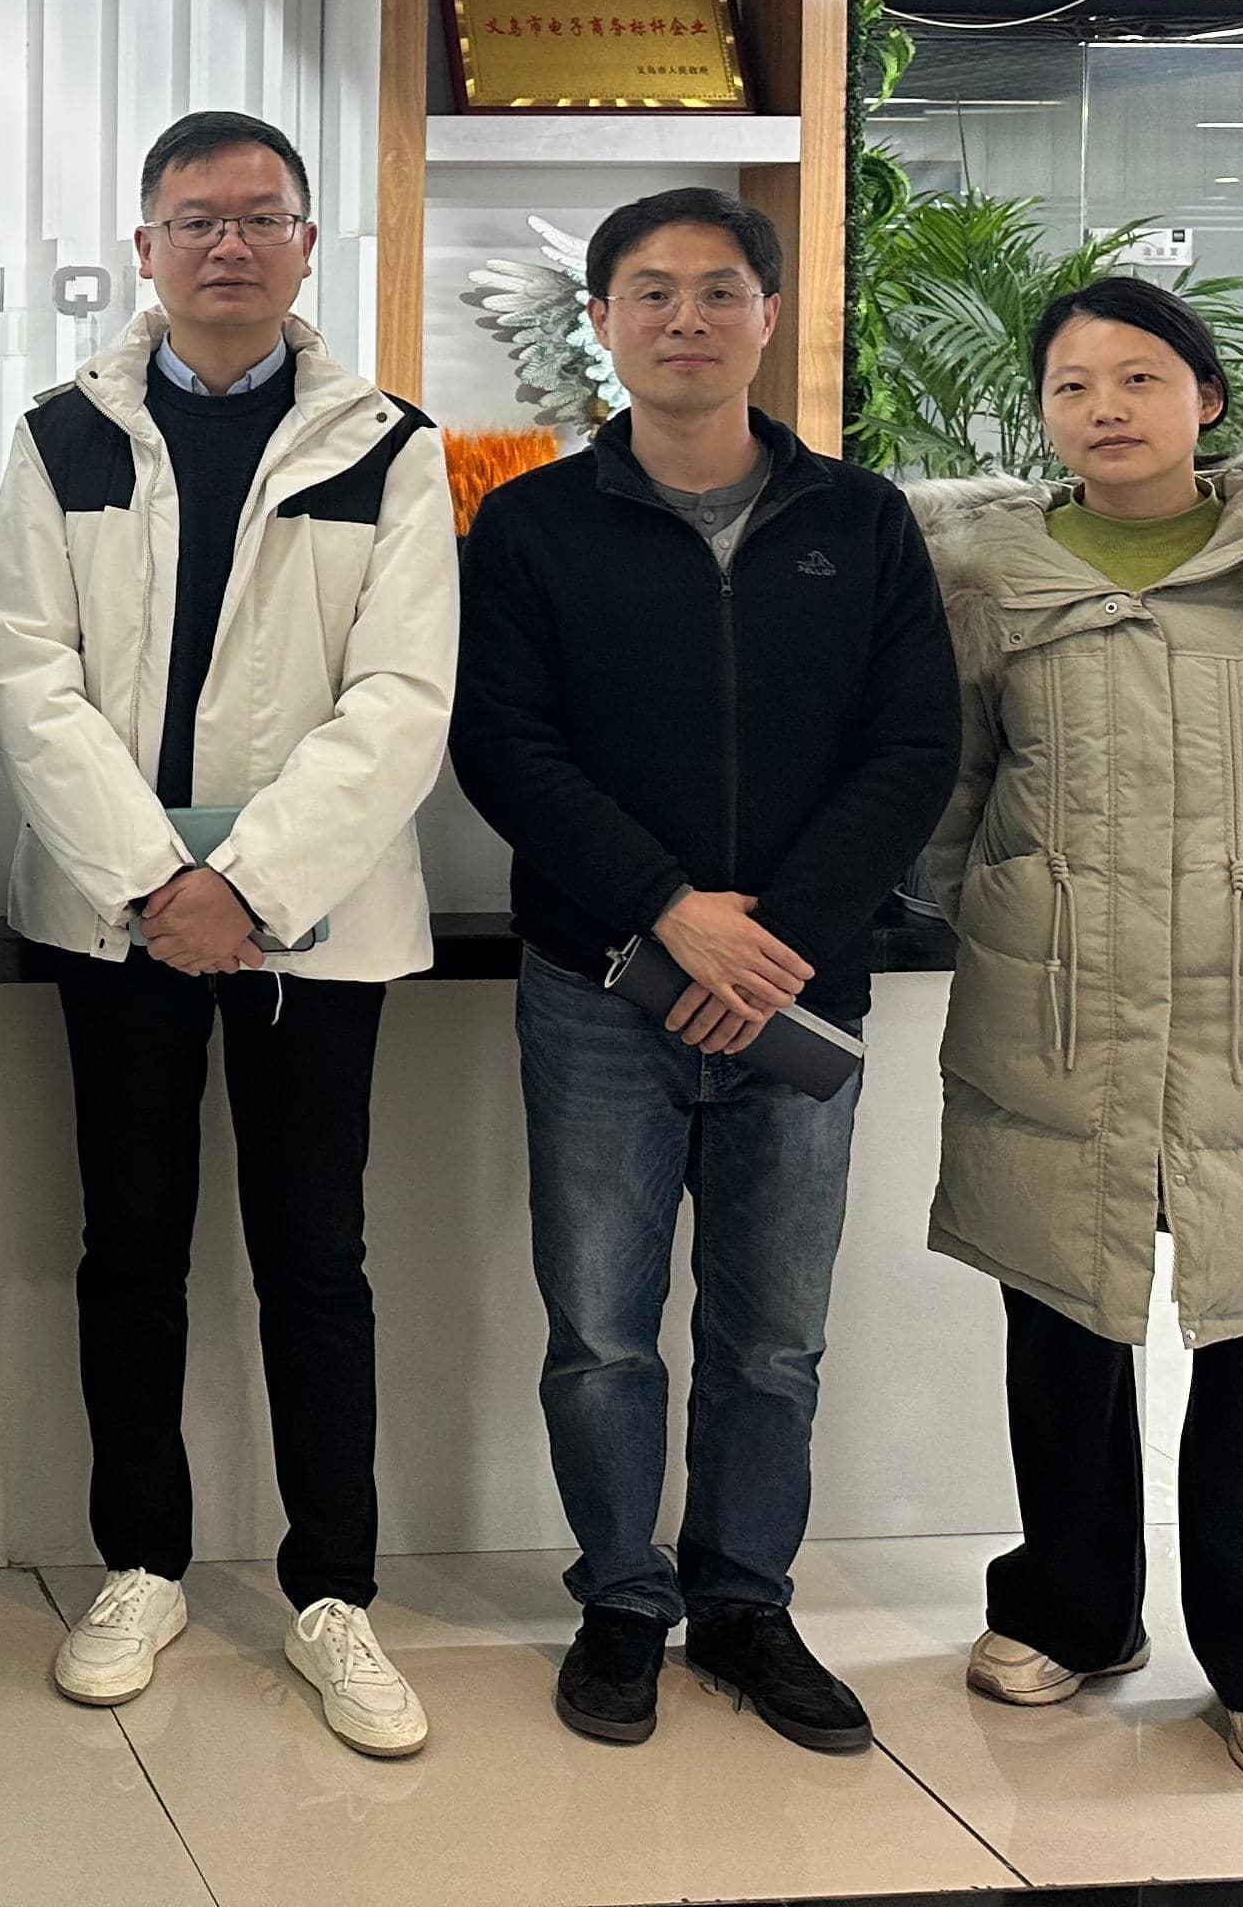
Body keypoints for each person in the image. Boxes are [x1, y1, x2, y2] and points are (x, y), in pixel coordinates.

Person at [451, 189, 957, 1756]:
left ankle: (746, 1602)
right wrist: (673, 910)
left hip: (798, 990)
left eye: (719, 290)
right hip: (602, 984)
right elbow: (506, 749)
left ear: (767, 316)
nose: (686, 318)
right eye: (653, 292)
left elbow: (912, 747)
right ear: (601, 322)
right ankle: (621, 1598)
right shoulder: (531, 526)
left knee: (774, 1335)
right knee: (602, 1327)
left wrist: (772, 935)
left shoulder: (861, 522)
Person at [0, 109, 451, 1756]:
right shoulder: (63, 437)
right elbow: (27, 677)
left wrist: (246, 885)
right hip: (118, 924)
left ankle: (334, 1593)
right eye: (197, 219)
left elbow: (403, 697)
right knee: (131, 1247)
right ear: (146, 246)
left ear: (309, 246)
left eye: (260, 218)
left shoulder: (389, 446)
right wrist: (152, 885)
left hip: (310, 924)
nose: (228, 245)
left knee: (316, 1257)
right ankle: (142, 1565)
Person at [910, 277, 1243, 1796]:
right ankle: (1070, 1610)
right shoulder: (988, 581)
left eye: (1140, 378)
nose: (1106, 409)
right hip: (1057, 994)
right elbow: (949, 794)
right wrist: (1016, 902)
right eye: (1073, 385)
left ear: (1207, 398)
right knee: (1066, 1316)